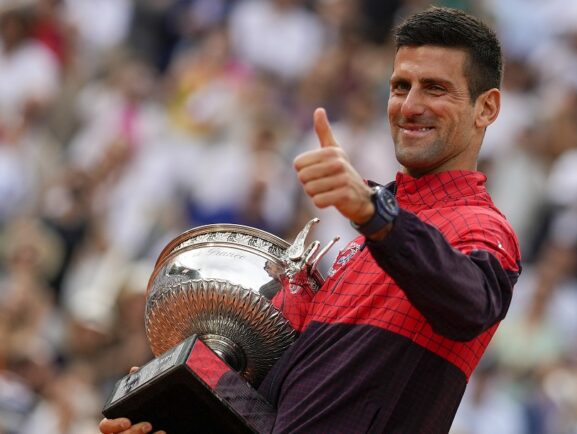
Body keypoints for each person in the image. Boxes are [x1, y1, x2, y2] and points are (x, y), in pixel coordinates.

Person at [99, 6, 521, 433]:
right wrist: (182, 412)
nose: (409, 105)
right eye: (400, 86)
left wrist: (376, 213)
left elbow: (471, 305)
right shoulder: (369, 238)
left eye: (435, 88)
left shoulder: (480, 227)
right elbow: (291, 413)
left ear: (486, 108)